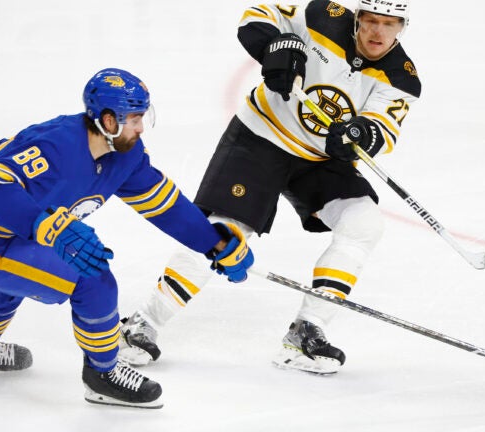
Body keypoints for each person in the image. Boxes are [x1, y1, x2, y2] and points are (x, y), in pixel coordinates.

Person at [120, 0, 420, 375]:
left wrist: (361, 132)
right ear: (357, 17)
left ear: (403, 27)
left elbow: (382, 128)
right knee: (223, 231)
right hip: (260, 138)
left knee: (364, 224)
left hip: (319, 159)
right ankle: (141, 324)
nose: (378, 32)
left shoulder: (401, 78)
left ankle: (306, 333)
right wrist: (274, 47)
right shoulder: (320, 15)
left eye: (389, 24)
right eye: (371, 21)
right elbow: (258, 14)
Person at [0, 68, 254, 408]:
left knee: (12, 279)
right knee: (92, 277)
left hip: (4, 231)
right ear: (108, 120)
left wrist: (212, 242)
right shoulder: (55, 146)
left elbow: (164, 204)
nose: (141, 127)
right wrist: (47, 227)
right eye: (134, 118)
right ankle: (103, 375)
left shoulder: (124, 154)